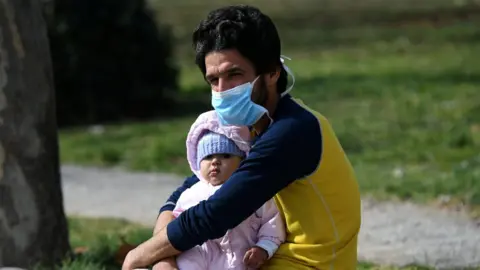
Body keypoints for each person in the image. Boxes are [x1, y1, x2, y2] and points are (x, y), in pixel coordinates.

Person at [123, 4, 361, 270]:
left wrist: (140, 255)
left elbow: (219, 212)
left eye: (234, 75)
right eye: (213, 80)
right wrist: (162, 256)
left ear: (272, 72)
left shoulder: (293, 130)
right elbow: (196, 185)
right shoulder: (252, 126)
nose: (222, 91)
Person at [135, 110, 286, 270]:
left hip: (241, 256)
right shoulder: (190, 194)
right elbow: (174, 227)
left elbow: (272, 224)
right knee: (187, 262)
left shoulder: (254, 191)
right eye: (208, 157)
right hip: (201, 252)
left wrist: (264, 248)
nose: (215, 162)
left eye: (225, 155)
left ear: (242, 160)